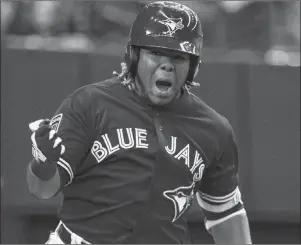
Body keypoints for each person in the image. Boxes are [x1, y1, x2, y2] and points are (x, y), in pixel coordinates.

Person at [27, 1, 252, 244]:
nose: (166, 64)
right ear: (134, 55)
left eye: (178, 56)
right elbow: (42, 189)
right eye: (155, 52)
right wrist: (43, 163)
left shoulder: (214, 129)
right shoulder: (89, 104)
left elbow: (226, 213)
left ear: (193, 66)